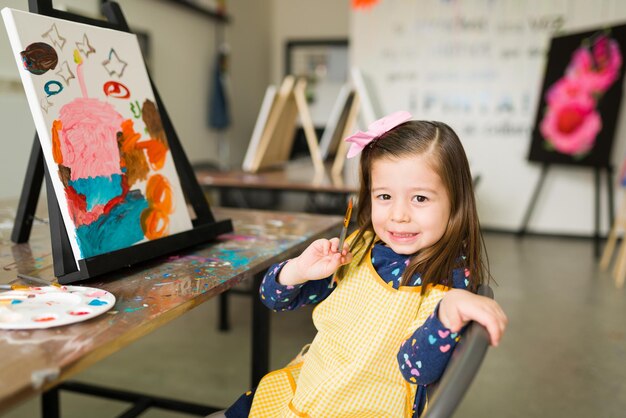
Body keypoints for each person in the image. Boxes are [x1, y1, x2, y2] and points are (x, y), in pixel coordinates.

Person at [221, 112, 508, 417]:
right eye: (384, 196)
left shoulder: (447, 279)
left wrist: (448, 314)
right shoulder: (361, 245)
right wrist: (299, 271)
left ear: (456, 202)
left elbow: (416, 369)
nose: (399, 214)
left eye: (420, 199)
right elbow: (272, 299)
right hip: (310, 389)